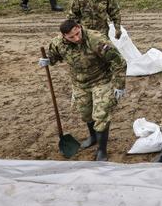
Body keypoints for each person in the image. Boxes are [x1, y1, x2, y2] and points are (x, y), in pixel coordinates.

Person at [39, 19, 127, 161]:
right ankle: (93, 137)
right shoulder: (58, 43)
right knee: (85, 113)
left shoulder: (96, 39)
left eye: (78, 33)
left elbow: (118, 61)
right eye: (71, 37)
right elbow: (54, 55)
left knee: (101, 114)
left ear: (79, 27)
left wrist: (120, 85)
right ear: (64, 36)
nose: (77, 38)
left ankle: (102, 150)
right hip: (80, 83)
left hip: (101, 80)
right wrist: (49, 60)